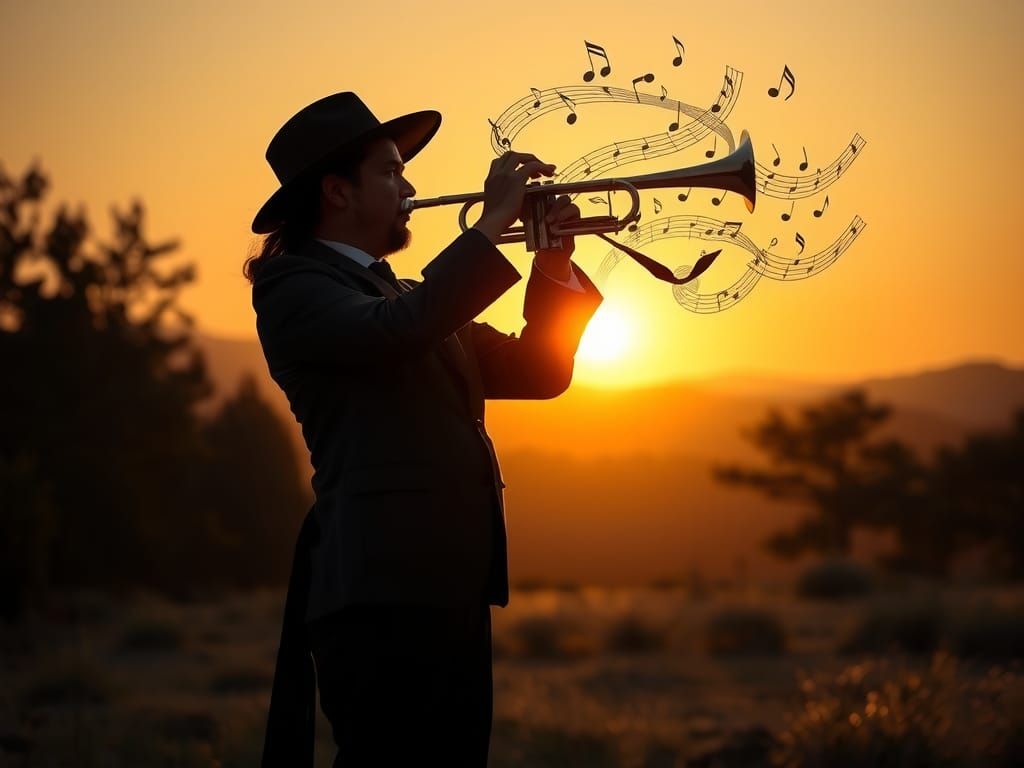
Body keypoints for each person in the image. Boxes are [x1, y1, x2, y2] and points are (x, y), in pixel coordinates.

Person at [247, 91, 602, 767]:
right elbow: (398, 334)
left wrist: (551, 264)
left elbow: (538, 371)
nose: (410, 186)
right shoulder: (293, 290)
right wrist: (490, 227)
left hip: (452, 585)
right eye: (389, 171)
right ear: (336, 191)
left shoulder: (411, 292)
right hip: (379, 595)